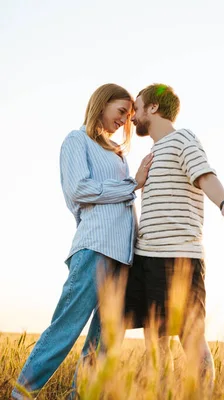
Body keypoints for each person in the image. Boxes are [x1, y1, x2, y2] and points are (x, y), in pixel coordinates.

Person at [12, 83, 153, 399]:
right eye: (121, 112)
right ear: (102, 104)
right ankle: (20, 395)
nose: (124, 121)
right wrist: (133, 185)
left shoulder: (117, 155)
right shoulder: (76, 140)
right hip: (94, 250)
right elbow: (80, 190)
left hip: (122, 258)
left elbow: (121, 203)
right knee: (65, 329)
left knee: (103, 342)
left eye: (129, 116)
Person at [124, 83, 224, 386]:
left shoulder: (183, 139)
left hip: (178, 257)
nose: (132, 116)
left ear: (153, 108)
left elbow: (205, 175)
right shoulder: (154, 151)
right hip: (148, 257)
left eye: (136, 108)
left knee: (191, 337)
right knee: (155, 338)